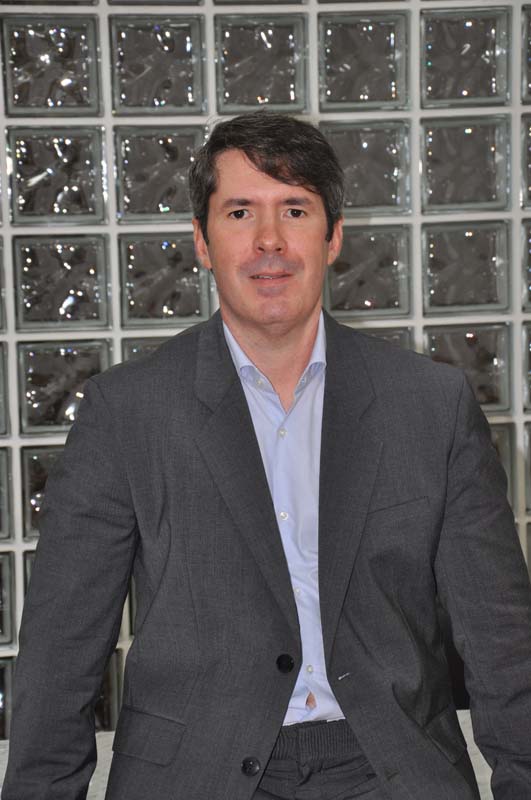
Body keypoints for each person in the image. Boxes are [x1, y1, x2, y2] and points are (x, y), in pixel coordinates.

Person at [3, 111, 531, 800]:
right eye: (239, 212)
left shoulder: (431, 406)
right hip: (195, 775)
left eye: (295, 209)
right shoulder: (126, 412)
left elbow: (502, 640)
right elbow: (62, 649)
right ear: (201, 240)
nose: (269, 240)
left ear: (333, 236)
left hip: (388, 770)